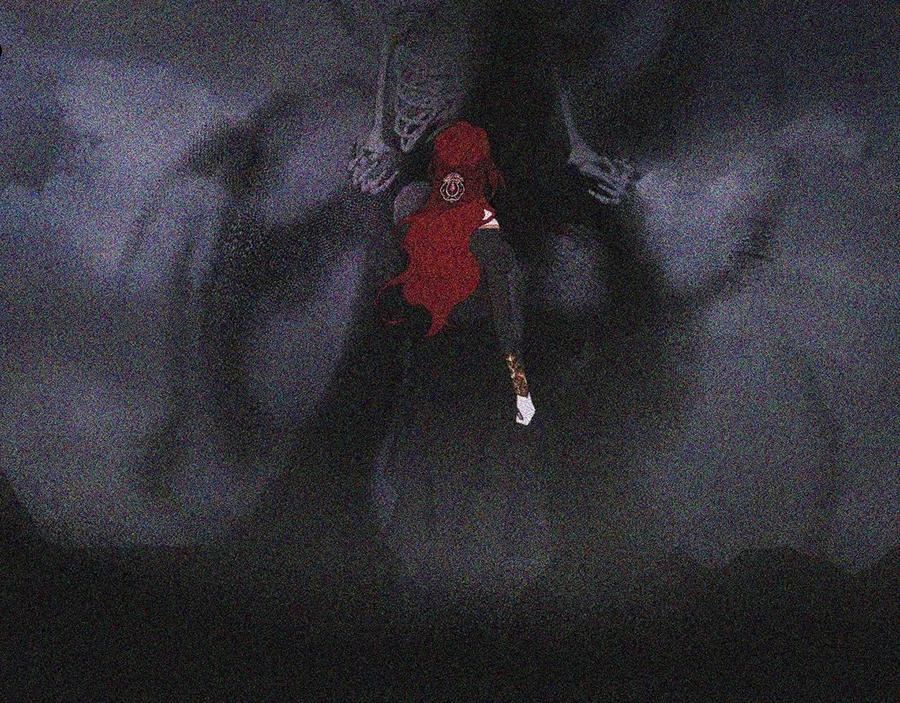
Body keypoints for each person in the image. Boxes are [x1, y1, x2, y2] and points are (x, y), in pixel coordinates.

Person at [375, 121, 536, 426]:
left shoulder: (482, 233)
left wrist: (521, 391)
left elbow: (507, 314)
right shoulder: (416, 207)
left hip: (478, 331)